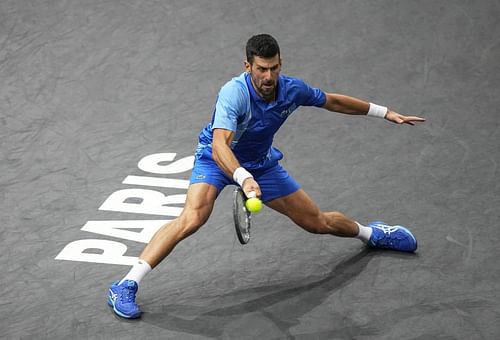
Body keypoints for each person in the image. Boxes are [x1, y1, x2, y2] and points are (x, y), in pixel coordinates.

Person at [107, 34, 425, 319]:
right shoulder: (234, 94)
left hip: (262, 164)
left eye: (273, 68)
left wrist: (384, 112)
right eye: (261, 69)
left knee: (317, 222)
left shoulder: (291, 90)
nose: (268, 76)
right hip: (216, 159)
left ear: (280, 64)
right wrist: (242, 177)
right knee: (192, 218)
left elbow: (333, 101)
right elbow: (220, 144)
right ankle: (125, 284)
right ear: (248, 66)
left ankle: (373, 234)